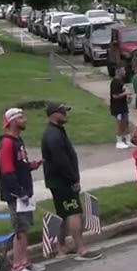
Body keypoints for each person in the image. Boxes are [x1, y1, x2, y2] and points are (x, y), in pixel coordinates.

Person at [40, 102, 101, 261]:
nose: (66, 114)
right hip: (63, 182)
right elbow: (61, 161)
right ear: (54, 114)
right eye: (63, 112)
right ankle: (81, 249)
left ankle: (61, 248)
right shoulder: (53, 135)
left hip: (58, 181)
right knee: (74, 213)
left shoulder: (56, 132)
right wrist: (73, 179)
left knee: (63, 214)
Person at [0, 107, 43, 271]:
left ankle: (25, 261)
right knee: (19, 230)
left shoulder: (18, 141)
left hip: (25, 192)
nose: (25, 120)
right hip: (17, 195)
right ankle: (16, 267)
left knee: (25, 228)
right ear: (13, 121)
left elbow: (18, 164)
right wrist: (18, 192)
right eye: (21, 118)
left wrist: (31, 165)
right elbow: (7, 170)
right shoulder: (7, 143)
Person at [110, 67, 131, 149]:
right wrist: (125, 93)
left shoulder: (121, 81)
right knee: (120, 123)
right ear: (118, 71)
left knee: (126, 122)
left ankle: (128, 140)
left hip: (123, 106)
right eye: (123, 70)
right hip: (117, 107)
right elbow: (114, 95)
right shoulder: (115, 82)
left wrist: (127, 97)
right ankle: (119, 141)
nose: (125, 72)